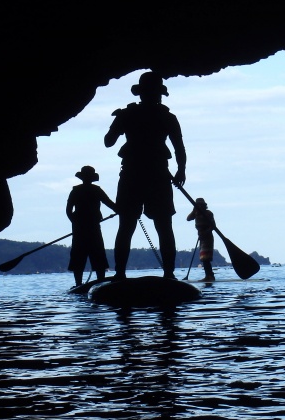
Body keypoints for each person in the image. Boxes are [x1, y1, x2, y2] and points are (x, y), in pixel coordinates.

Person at [104, 71, 186, 279]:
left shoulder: (128, 115)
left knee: (128, 225)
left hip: (133, 174)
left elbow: (108, 141)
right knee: (163, 225)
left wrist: (117, 122)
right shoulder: (167, 117)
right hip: (157, 174)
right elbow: (179, 149)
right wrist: (180, 170)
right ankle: (169, 274)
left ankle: (120, 274)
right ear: (159, 94)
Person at [66, 165, 118, 286]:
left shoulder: (76, 190)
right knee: (96, 253)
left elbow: (68, 211)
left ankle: (79, 283)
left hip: (83, 227)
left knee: (82, 255)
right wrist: (121, 210)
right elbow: (110, 204)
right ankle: (98, 281)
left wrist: (74, 222)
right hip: (90, 227)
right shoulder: (96, 190)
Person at [186, 197, 216, 281]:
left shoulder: (208, 213)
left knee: (206, 257)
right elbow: (188, 218)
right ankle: (208, 275)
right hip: (201, 237)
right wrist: (194, 210)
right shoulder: (196, 214)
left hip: (208, 237)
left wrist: (205, 233)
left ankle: (210, 276)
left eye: (200, 205)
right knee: (203, 257)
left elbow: (213, 226)